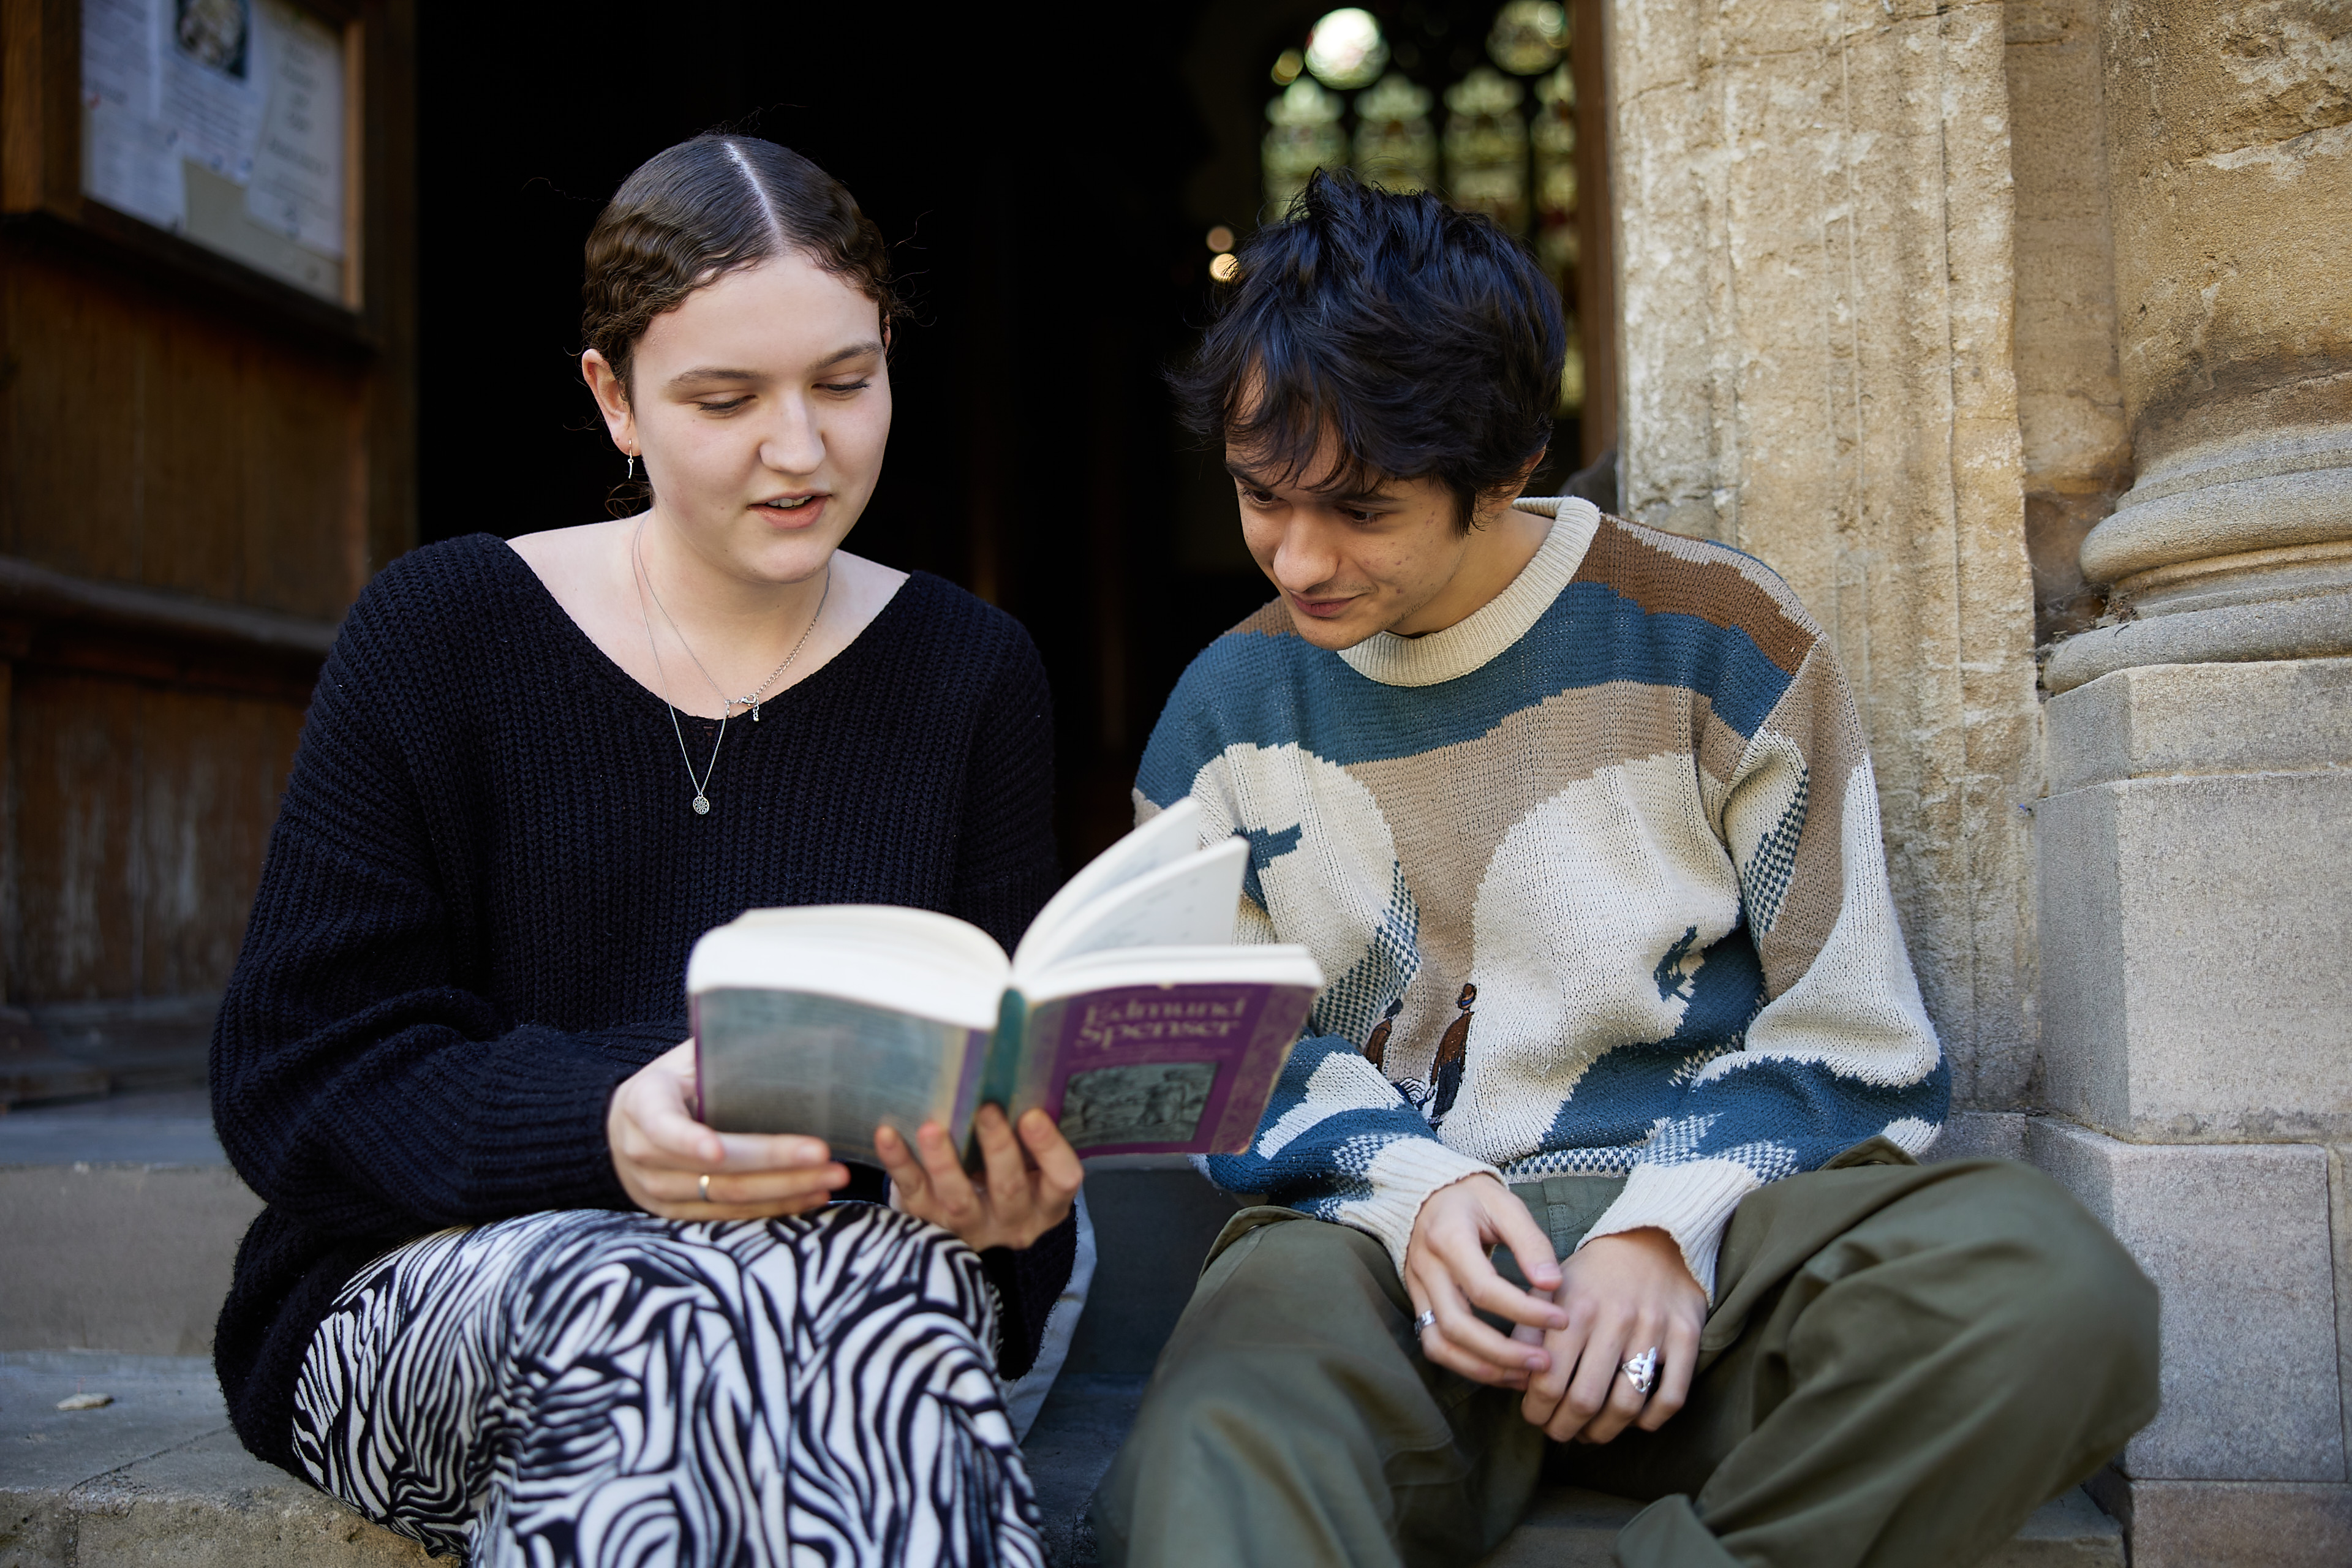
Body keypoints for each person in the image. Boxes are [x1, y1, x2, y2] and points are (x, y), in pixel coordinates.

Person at [1094, 170, 2159, 1568]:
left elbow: (1854, 1037)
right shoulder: (1221, 715)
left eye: (1360, 509)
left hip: (1721, 1252)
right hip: (1380, 1265)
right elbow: (1229, 1063)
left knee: (2054, 1289)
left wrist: (1668, 1226)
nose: (1299, 557)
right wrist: (1413, 1190)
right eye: (1259, 497)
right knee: (1218, 1425)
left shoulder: (1719, 637)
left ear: (1504, 466)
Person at [210, 134, 1082, 1568]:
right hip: (428, 1279)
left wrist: (1006, 1202)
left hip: (849, 1280)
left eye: (846, 382)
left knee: (873, 1310)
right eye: (725, 399)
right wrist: (602, 1126)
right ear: (613, 397)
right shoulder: (441, 632)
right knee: (667, 1314)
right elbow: (299, 1071)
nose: (800, 448)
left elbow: (1006, 1129)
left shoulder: (971, 670)